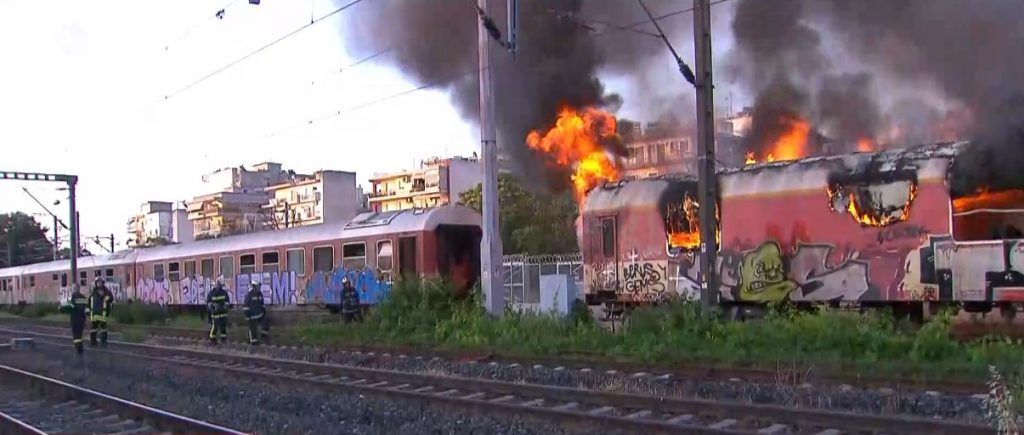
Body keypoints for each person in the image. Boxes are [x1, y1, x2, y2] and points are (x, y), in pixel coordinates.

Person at [60, 284, 89, 356]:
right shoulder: (84, 298)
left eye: (72, 288)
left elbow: (70, 308)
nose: (71, 290)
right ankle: (80, 348)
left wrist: (61, 309)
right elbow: (87, 309)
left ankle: (79, 350)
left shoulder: (73, 298)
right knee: (80, 335)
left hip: (75, 319)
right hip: (82, 319)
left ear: (75, 289)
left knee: (76, 336)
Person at [88, 278, 113, 347]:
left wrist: (107, 298)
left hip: (103, 314)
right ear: (96, 283)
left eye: (100, 282)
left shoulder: (106, 291)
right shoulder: (93, 292)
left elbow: (111, 298)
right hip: (94, 314)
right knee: (93, 329)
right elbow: (89, 301)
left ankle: (103, 342)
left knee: (104, 329)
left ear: (102, 283)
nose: (99, 284)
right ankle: (93, 342)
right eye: (98, 282)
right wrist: (88, 310)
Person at [206, 278, 231, 344]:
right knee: (215, 327)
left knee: (223, 328)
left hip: (223, 314)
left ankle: (223, 340)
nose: (218, 286)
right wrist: (213, 309)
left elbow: (227, 302)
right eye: (217, 285)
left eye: (219, 285)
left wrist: (224, 307)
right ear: (214, 286)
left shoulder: (224, 293)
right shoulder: (211, 294)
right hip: (215, 314)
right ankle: (212, 339)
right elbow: (209, 304)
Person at [242, 280, 266, 345]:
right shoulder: (249, 295)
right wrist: (247, 315)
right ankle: (253, 342)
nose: (259, 287)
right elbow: (246, 306)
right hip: (252, 316)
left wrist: (263, 312)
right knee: (252, 330)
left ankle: (264, 338)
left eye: (260, 286)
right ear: (254, 286)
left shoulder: (260, 294)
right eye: (258, 286)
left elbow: (262, 304)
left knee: (265, 325)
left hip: (259, 315)